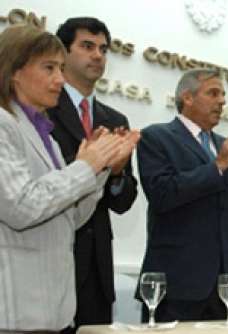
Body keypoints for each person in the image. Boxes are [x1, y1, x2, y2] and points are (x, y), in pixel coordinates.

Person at [0, 24, 133, 332]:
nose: (60, 79)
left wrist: (101, 168)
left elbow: (70, 218)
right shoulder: (4, 124)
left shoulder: (45, 133)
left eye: (61, 68)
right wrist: (86, 166)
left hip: (53, 312)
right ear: (14, 70)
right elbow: (21, 207)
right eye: (49, 68)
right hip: (13, 312)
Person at [136, 68, 228, 321]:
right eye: (213, 93)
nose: (222, 101)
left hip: (225, 285)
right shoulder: (156, 137)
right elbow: (162, 194)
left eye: (223, 95)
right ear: (187, 98)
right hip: (177, 282)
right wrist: (216, 168)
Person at [47, 17, 139, 329]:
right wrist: (93, 161)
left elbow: (124, 200)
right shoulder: (41, 108)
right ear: (62, 52)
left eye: (103, 49)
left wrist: (116, 173)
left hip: (97, 265)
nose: (98, 55)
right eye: (87, 46)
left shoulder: (115, 118)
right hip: (50, 258)